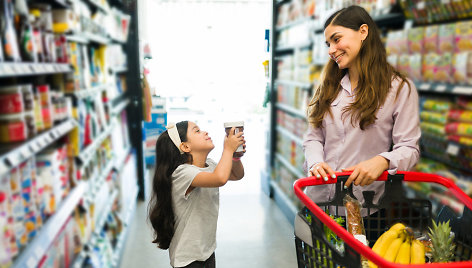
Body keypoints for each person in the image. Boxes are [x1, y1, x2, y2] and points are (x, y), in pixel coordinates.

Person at [303, 5, 421, 208]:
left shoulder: (399, 88)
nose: (331, 50)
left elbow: (410, 148)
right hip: (318, 201)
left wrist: (383, 161)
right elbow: (314, 136)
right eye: (328, 43)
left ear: (363, 32)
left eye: (336, 39)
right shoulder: (328, 86)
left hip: (363, 207)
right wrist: (315, 162)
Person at [148, 121, 246, 268]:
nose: (204, 132)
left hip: (206, 251)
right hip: (188, 259)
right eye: (197, 131)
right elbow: (220, 178)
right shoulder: (182, 172)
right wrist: (228, 149)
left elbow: (236, 174)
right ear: (185, 146)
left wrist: (235, 156)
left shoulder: (210, 164)